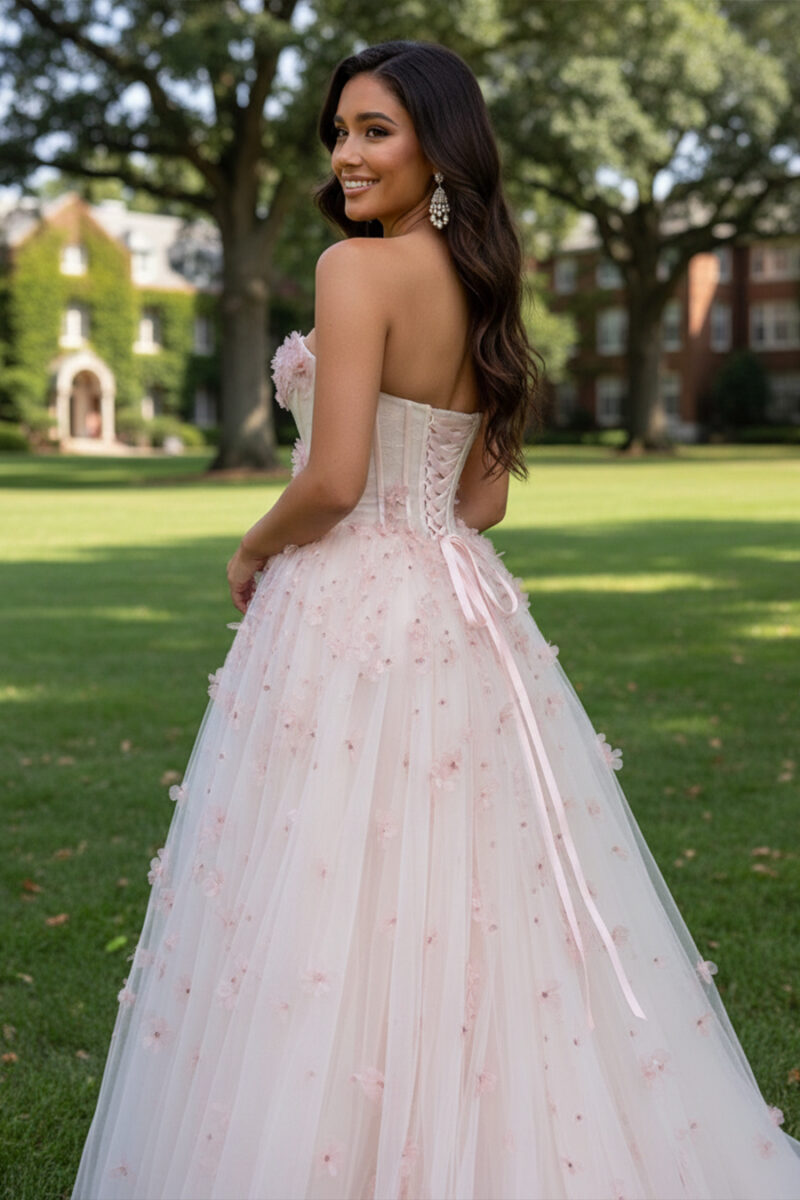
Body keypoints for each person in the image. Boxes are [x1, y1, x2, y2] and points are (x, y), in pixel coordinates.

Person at [72, 39, 800, 1200]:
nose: (346, 155)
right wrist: (420, 531)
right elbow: (485, 496)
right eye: (339, 132)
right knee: (470, 892)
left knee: (328, 882)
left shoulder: (354, 274)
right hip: (458, 605)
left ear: (436, 147)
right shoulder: (480, 284)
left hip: (349, 604)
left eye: (375, 131)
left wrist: (251, 545)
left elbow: (333, 478)